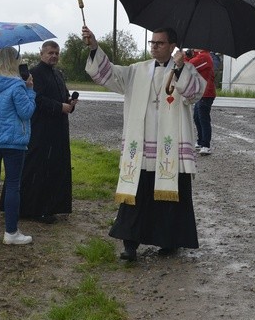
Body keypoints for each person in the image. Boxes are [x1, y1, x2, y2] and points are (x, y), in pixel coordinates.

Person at [82, 26, 206, 261]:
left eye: (160, 43)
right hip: (140, 148)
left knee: (169, 197)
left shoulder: (184, 69)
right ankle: (130, 245)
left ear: (172, 46)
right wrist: (95, 47)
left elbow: (194, 94)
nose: (154, 46)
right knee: (135, 198)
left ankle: (169, 242)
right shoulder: (137, 70)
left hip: (169, 149)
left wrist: (180, 68)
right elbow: (107, 74)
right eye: (152, 42)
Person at [0, 46, 36, 245]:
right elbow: (26, 112)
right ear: (14, 61)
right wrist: (30, 91)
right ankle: (11, 232)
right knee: (12, 184)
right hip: (12, 140)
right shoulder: (17, 85)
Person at [20, 41, 77, 223]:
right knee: (38, 168)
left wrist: (70, 102)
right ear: (41, 54)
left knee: (56, 168)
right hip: (41, 129)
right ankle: (36, 208)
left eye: (57, 53)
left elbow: (63, 97)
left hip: (58, 129)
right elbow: (36, 99)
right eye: (50, 53)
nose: (54, 56)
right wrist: (60, 106)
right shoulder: (34, 74)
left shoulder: (58, 74)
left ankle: (53, 206)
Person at [186, 48, 216, 155]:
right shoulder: (201, 56)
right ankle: (200, 141)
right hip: (201, 92)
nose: (193, 48)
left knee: (203, 119)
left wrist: (185, 56)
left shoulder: (204, 57)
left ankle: (206, 145)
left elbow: (189, 66)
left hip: (206, 93)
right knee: (197, 118)